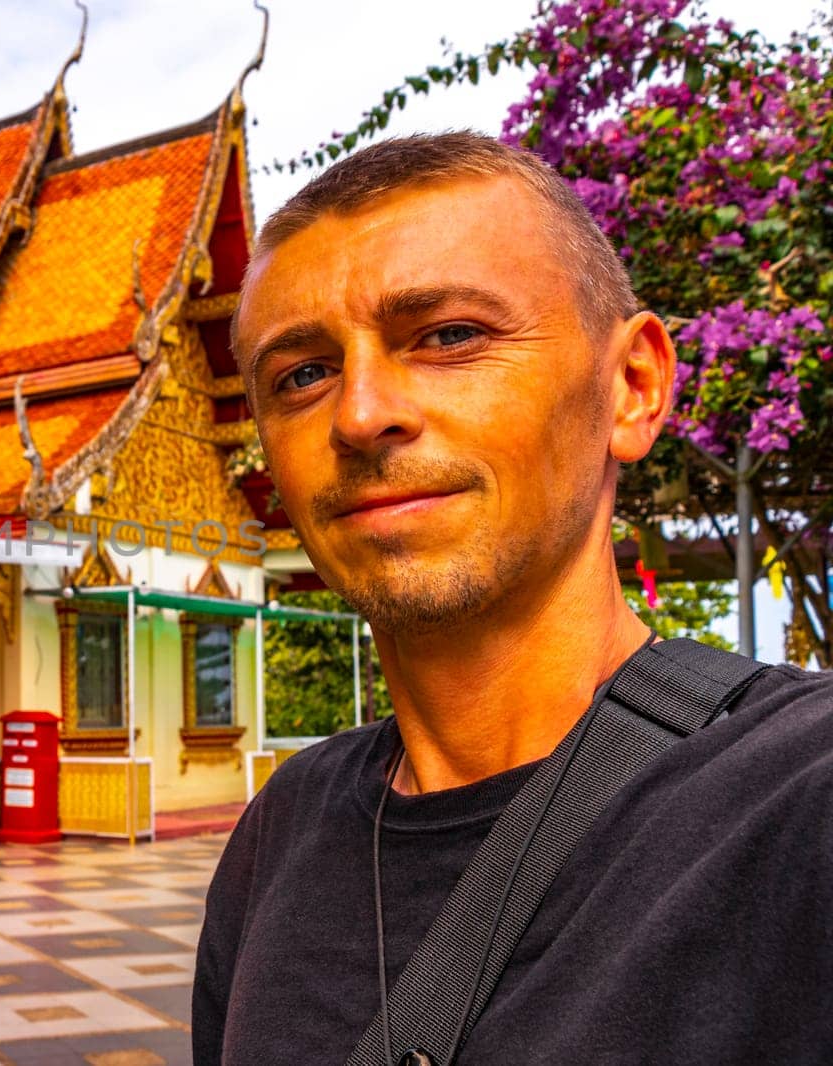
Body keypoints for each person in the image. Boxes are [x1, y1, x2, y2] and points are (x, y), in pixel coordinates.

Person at [194, 132, 833, 1064]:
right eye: (302, 374)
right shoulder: (280, 834)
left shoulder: (799, 798)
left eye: (450, 335)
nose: (361, 413)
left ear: (633, 387)